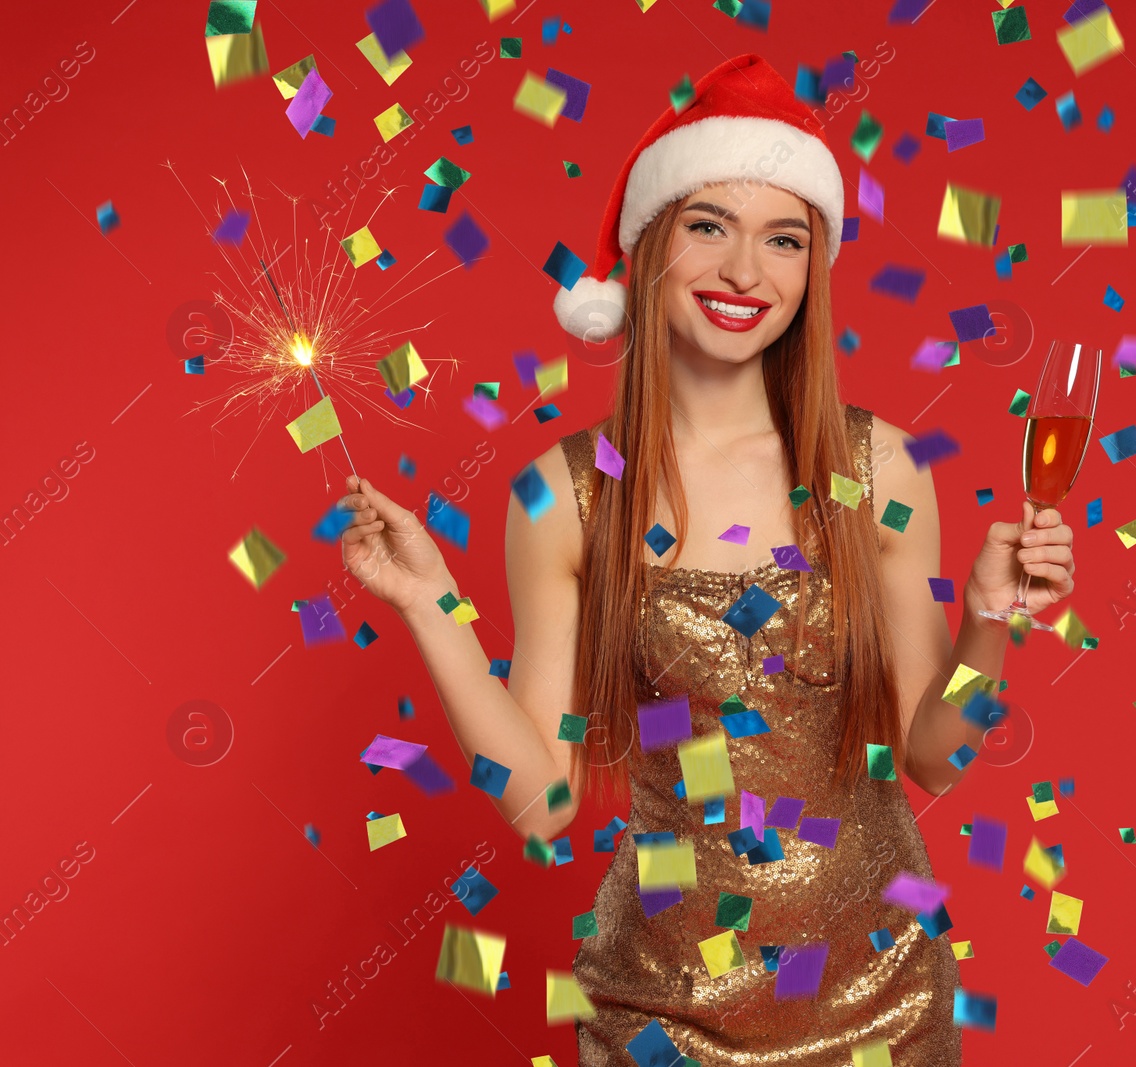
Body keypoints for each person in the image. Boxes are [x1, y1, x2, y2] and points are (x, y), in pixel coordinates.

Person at [334, 53, 1076, 1066]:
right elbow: (544, 802)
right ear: (648, 249)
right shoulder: (564, 496)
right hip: (662, 1023)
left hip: (880, 1019)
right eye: (708, 227)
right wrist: (429, 605)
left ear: (812, 270)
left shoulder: (881, 466)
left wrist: (994, 621)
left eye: (783, 238)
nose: (744, 272)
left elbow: (933, 755)